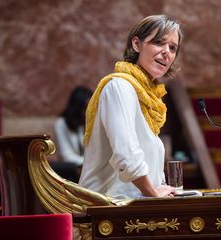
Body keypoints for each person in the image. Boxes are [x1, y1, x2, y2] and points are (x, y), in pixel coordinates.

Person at [78, 15, 183, 199]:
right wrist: (153, 195)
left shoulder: (149, 96)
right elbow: (126, 156)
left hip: (136, 207)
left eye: (173, 48)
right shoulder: (120, 86)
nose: (167, 52)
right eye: (159, 42)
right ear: (136, 44)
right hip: (108, 210)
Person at [53, 86, 92, 182]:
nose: (89, 112)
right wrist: (91, 162)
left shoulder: (90, 122)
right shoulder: (61, 124)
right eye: (86, 108)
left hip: (89, 167)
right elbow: (66, 155)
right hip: (71, 171)